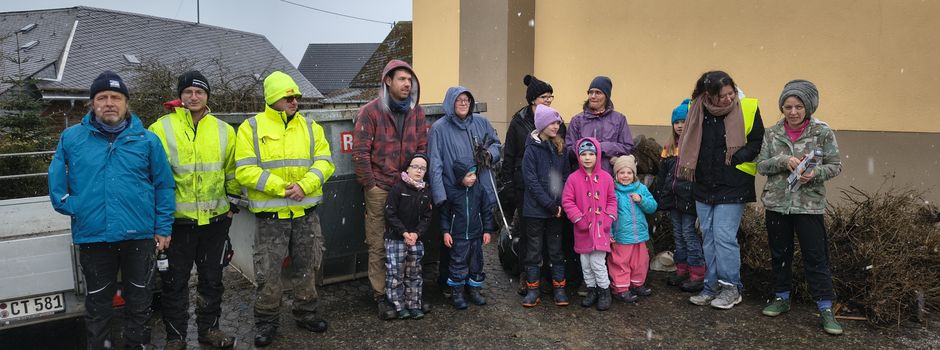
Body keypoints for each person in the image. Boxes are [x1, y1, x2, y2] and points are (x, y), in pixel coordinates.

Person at [48, 71, 175, 350]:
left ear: (126, 103)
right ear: (92, 104)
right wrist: (76, 206)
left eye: (115, 97)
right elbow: (56, 183)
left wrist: (163, 227)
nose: (109, 103)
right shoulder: (72, 138)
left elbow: (164, 186)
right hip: (94, 237)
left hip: (138, 236)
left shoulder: (147, 140)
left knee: (139, 302)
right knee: (98, 305)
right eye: (102, 97)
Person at [235, 71, 335, 347]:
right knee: (268, 272)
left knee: (308, 266)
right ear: (272, 99)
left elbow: (325, 162)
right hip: (271, 218)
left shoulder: (311, 127)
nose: (294, 102)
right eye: (288, 97)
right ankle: (267, 322)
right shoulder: (251, 128)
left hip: (305, 213)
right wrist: (282, 188)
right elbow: (244, 170)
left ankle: (306, 312)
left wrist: (305, 185)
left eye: (296, 97)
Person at [148, 70, 238, 349]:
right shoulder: (159, 129)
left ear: (207, 96)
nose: (194, 96)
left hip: (215, 221)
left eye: (200, 92)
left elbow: (232, 172)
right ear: (180, 96)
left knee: (212, 280)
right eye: (188, 91)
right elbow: (150, 176)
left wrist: (232, 205)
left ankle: (210, 330)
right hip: (177, 223)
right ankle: (176, 338)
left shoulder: (224, 130)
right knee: (174, 283)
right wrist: (158, 220)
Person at [756, 80, 843, 335]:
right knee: (780, 254)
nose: (793, 112)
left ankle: (825, 307)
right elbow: (761, 165)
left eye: (798, 107)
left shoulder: (822, 132)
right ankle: (781, 298)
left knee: (816, 256)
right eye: (788, 107)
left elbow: (836, 165)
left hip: (809, 206)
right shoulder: (772, 133)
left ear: (808, 107)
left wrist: (815, 173)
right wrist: (783, 161)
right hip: (777, 204)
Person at [679, 71, 764, 310]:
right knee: (708, 236)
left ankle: (731, 288)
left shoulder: (747, 107)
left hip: (733, 182)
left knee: (724, 236)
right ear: (709, 95)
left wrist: (737, 157)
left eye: (731, 93)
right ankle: (711, 286)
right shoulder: (697, 109)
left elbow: (758, 140)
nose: (729, 99)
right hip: (704, 183)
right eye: (722, 95)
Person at [353, 59, 428, 320]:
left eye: (410, 80)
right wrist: (371, 185)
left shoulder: (417, 112)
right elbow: (360, 153)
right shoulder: (370, 112)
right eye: (402, 79)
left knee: (408, 242)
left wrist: (416, 181)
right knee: (378, 243)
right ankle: (381, 296)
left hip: (408, 189)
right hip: (381, 187)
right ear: (388, 81)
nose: (407, 84)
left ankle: (408, 296)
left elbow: (422, 148)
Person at [428, 86, 501, 294]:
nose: (463, 103)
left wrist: (489, 154)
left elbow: (496, 144)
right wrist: (440, 195)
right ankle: (448, 283)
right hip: (453, 193)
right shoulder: (439, 129)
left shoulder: (481, 122)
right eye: (458, 100)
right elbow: (435, 163)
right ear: (450, 103)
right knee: (452, 242)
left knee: (474, 242)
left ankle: (472, 282)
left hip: (477, 192)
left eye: (466, 100)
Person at [501, 74, 566, 295]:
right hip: (525, 186)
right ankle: (526, 276)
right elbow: (509, 155)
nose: (548, 100)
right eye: (544, 96)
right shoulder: (518, 122)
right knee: (528, 234)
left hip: (550, 187)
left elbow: (561, 154)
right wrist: (508, 184)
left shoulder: (556, 121)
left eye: (550, 96)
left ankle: (547, 276)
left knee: (551, 236)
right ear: (532, 100)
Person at [520, 104, 570, 308]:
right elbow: (531, 182)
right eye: (552, 123)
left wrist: (560, 203)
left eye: (558, 122)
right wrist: (550, 204)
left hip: (556, 210)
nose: (556, 126)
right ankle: (533, 290)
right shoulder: (531, 150)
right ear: (541, 125)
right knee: (534, 251)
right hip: (536, 210)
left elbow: (565, 177)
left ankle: (559, 289)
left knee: (556, 251)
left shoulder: (561, 149)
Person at [654, 99, 705, 292]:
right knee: (678, 235)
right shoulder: (668, 148)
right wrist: (660, 196)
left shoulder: (696, 147)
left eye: (684, 121)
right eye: (677, 122)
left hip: (689, 200)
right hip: (673, 200)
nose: (680, 126)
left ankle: (697, 273)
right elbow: (662, 176)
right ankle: (681, 269)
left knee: (689, 234)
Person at [562, 138, 617, 311]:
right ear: (578, 156)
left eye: (591, 154)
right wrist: (578, 219)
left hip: (601, 229)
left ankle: (604, 291)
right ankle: (591, 289)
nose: (587, 158)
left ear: (597, 155)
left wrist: (608, 218)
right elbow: (567, 201)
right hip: (583, 230)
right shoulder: (573, 179)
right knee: (585, 263)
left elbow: (612, 200)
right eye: (583, 154)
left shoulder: (606, 178)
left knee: (597, 263)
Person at [383, 153, 434, 320]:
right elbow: (390, 214)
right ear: (407, 168)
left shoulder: (426, 192)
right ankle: (398, 305)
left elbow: (427, 217)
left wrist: (416, 233)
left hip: (416, 240)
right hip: (396, 239)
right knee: (395, 273)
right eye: (415, 167)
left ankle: (414, 304)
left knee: (414, 273)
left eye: (423, 168)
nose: (419, 171)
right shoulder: (398, 189)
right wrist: (404, 232)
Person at [441, 161, 494, 310]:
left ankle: (474, 290)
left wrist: (487, 230)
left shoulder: (479, 190)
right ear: (460, 177)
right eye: (469, 175)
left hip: (476, 235)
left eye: (474, 174)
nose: (473, 178)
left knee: (476, 264)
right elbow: (445, 215)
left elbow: (486, 211)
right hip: (458, 237)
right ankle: (457, 293)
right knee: (458, 264)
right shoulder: (452, 192)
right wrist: (446, 232)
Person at [608, 155, 657, 303]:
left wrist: (641, 200)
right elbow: (608, 213)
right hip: (621, 236)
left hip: (639, 235)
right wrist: (609, 232)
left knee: (640, 261)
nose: (625, 176)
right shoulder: (613, 191)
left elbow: (652, 207)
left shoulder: (641, 189)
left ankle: (637, 284)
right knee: (620, 262)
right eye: (621, 172)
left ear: (634, 174)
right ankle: (621, 288)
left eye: (629, 172)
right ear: (616, 175)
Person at [564, 76, 634, 175]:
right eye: (590, 92)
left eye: (598, 93)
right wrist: (588, 148)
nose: (593, 96)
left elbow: (627, 147)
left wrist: (602, 147)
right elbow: (568, 150)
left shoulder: (619, 119)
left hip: (609, 176)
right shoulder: (577, 120)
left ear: (606, 96)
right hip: (582, 177)